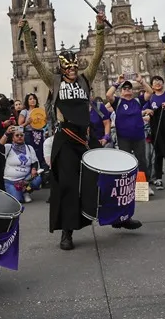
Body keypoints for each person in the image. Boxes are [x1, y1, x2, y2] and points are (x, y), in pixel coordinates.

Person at [19, 13, 142, 251]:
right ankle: (67, 232)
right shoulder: (53, 81)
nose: (73, 69)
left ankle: (119, 217)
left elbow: (97, 54)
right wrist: (25, 31)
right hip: (65, 139)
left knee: (106, 178)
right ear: (62, 69)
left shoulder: (86, 79)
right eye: (69, 67)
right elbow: (34, 60)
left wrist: (98, 28)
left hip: (86, 137)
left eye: (75, 66)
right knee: (67, 185)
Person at [0, 125, 42, 203]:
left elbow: (34, 162)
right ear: (13, 138)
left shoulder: (29, 148)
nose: (19, 137)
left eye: (21, 135)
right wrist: (6, 133)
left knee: (37, 179)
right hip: (11, 181)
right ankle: (19, 192)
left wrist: (34, 169)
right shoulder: (9, 147)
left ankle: (26, 192)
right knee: (18, 201)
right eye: (17, 135)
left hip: (26, 179)